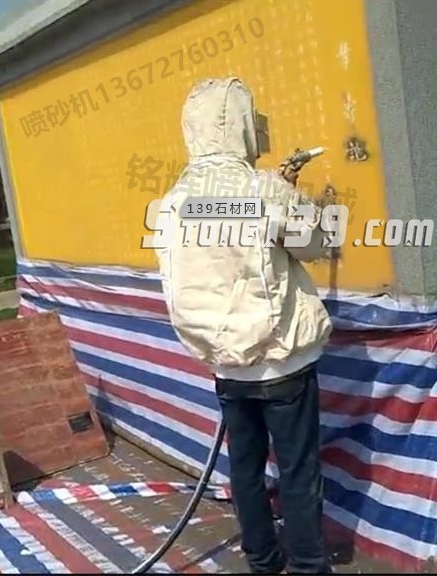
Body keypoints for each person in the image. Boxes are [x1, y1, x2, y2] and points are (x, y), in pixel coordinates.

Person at [155, 77, 333, 574]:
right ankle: (308, 566)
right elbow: (315, 244)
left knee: (246, 468)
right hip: (282, 362)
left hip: (226, 365)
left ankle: (262, 560)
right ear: (239, 126)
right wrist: (300, 200)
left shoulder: (174, 202)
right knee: (298, 471)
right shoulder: (263, 190)